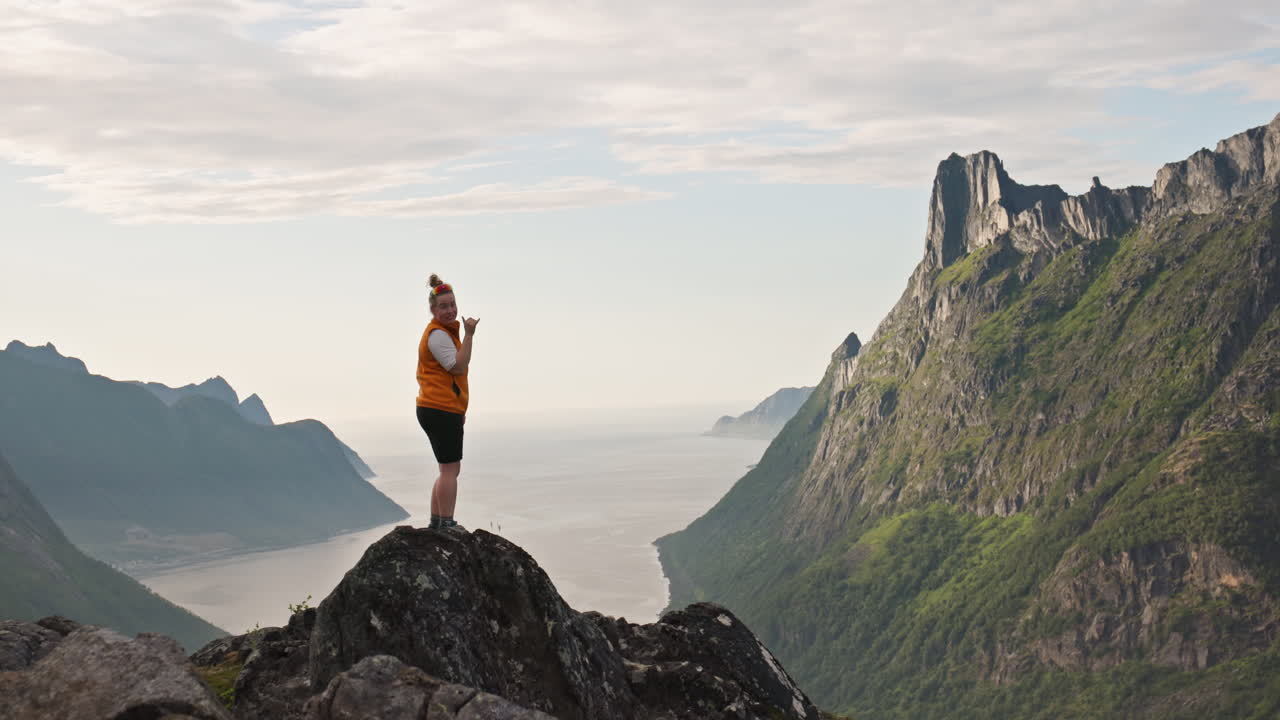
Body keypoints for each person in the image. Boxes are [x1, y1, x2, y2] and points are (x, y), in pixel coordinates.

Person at [415, 274, 478, 530]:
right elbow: (458, 366)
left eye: (452, 304)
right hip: (439, 408)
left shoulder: (443, 334)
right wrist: (470, 335)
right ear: (433, 309)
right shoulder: (438, 335)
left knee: (447, 469)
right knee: (450, 470)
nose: (450, 310)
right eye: (444, 306)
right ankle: (446, 524)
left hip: (439, 408)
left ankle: (436, 522)